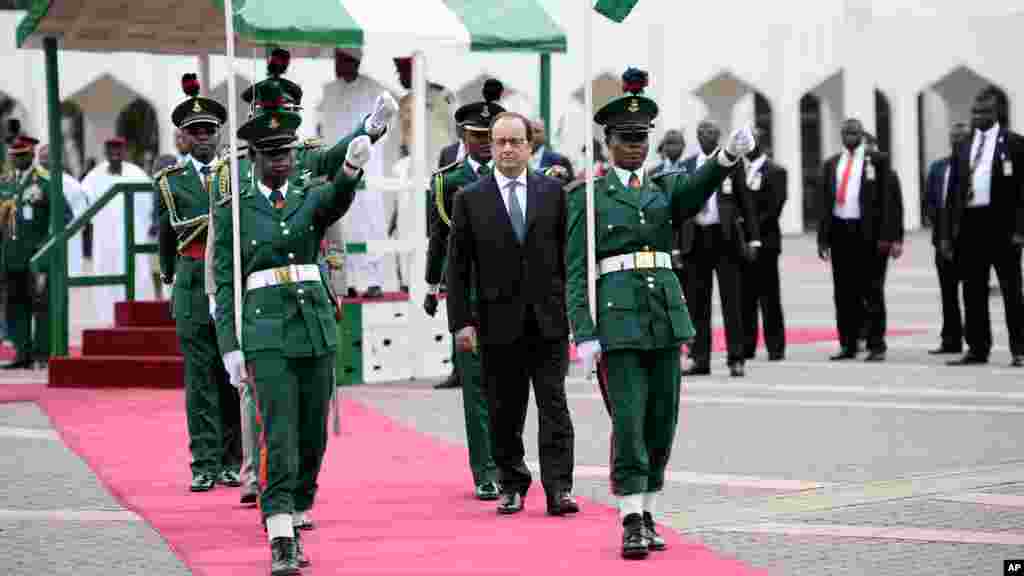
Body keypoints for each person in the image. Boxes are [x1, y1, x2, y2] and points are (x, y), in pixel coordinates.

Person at [566, 68, 756, 559]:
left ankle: (648, 509)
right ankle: (629, 515)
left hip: (664, 316)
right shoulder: (588, 196)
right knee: (628, 421)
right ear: (607, 142)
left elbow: (695, 191)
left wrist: (727, 157)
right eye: (624, 139)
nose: (634, 147)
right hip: (618, 320)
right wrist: (583, 334)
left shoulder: (663, 188)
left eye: (640, 139)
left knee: (661, 420)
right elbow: (575, 272)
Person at [206, 47, 395, 515]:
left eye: (286, 116)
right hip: (259, 301)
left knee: (304, 417)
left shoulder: (303, 155)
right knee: (265, 403)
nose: (281, 130)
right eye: (270, 117)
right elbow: (221, 241)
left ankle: (284, 487)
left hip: (306, 298)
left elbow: (336, 162)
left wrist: (371, 128)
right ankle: (263, 481)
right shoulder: (231, 170)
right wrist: (219, 304)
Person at [446, 110, 577, 518]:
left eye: (514, 141)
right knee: (505, 409)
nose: (506, 148)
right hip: (497, 322)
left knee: (554, 406)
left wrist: (574, 313)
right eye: (499, 141)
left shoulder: (553, 193)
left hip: (548, 320)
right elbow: (458, 267)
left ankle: (559, 488)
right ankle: (512, 483)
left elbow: (566, 259)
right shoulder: (469, 198)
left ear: (529, 146)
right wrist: (462, 322)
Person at [157, 74, 241, 493]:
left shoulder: (236, 174)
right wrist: (169, 282)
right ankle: (204, 463)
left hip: (228, 281)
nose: (203, 138)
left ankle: (232, 460)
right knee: (200, 376)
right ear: (183, 137)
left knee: (233, 371)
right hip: (191, 281)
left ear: (219, 134)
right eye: (195, 132)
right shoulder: (170, 181)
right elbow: (166, 236)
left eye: (209, 130)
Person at [423, 80, 502, 499]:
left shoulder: (517, 177)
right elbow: (439, 239)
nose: (486, 144)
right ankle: (485, 470)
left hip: (510, 294)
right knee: (475, 386)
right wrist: (431, 287)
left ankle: (507, 461)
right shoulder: (447, 182)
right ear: (462, 138)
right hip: (467, 292)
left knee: (506, 383)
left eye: (490, 136)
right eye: (477, 137)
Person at [941, 86, 1024, 367]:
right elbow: (953, 193)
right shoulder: (964, 145)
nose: (979, 116)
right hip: (970, 225)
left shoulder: (1014, 143)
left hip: (1002, 226)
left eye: (985, 111)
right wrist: (947, 234)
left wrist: (1019, 230)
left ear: (997, 112)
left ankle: (1020, 349)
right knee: (973, 291)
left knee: (1012, 291)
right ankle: (977, 348)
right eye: (975, 112)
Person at [679, 119, 761, 377]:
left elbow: (746, 201)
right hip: (695, 239)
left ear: (719, 136)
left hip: (725, 239)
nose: (708, 135)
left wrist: (753, 239)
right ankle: (699, 359)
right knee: (696, 304)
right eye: (703, 131)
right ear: (697, 135)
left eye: (713, 131)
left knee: (731, 302)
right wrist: (674, 246)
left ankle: (736, 358)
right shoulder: (687, 166)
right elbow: (678, 206)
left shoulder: (732, 163)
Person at [817, 119, 900, 362]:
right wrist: (823, 239)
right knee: (843, 293)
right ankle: (848, 344)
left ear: (861, 135)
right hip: (841, 232)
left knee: (872, 291)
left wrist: (888, 236)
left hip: (869, 234)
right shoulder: (832, 163)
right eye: (845, 132)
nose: (849, 136)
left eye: (853, 132)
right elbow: (825, 203)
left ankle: (876, 345)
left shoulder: (878, 160)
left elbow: (889, 201)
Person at [319, 47, 394, 298]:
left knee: (370, 223)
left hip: (368, 169)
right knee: (342, 224)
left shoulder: (375, 90)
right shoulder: (328, 91)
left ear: (356, 61)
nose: (338, 65)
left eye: (343, 60)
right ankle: (346, 280)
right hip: (339, 169)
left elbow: (381, 133)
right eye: (337, 60)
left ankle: (375, 281)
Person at [0, 132, 71, 368]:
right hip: (11, 256)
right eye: (14, 156)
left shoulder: (45, 181)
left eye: (22, 155)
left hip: (37, 256)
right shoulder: (7, 182)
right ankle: (22, 353)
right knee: (14, 304)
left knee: (40, 305)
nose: (18, 160)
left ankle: (42, 354)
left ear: (32, 155)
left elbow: (65, 216)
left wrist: (48, 245)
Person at [81, 136, 152, 326]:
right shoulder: (94, 176)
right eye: (111, 149)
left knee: (138, 273)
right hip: (104, 237)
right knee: (105, 272)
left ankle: (138, 317)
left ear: (125, 151)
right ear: (105, 152)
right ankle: (108, 319)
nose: (115, 153)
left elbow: (148, 205)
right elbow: (83, 203)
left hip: (133, 235)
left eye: (119, 149)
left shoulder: (136, 173)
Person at [741, 134, 788, 361]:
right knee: (745, 298)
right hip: (741, 244)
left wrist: (750, 230)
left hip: (766, 243)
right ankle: (747, 346)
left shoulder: (776, 171)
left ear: (761, 145)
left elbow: (773, 209)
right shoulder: (738, 170)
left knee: (769, 297)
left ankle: (775, 347)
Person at [926, 123, 970, 355]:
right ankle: (950, 339)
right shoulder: (939, 167)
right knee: (948, 293)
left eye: (961, 137)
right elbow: (931, 202)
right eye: (953, 137)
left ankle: (974, 340)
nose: (957, 140)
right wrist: (941, 232)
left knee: (972, 293)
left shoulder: (975, 167)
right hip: (942, 239)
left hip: (970, 239)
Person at [38, 143, 89, 277]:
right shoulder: (35, 182)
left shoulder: (71, 185)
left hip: (65, 244)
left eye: (46, 158)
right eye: (41, 158)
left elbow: (81, 218)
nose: (43, 163)